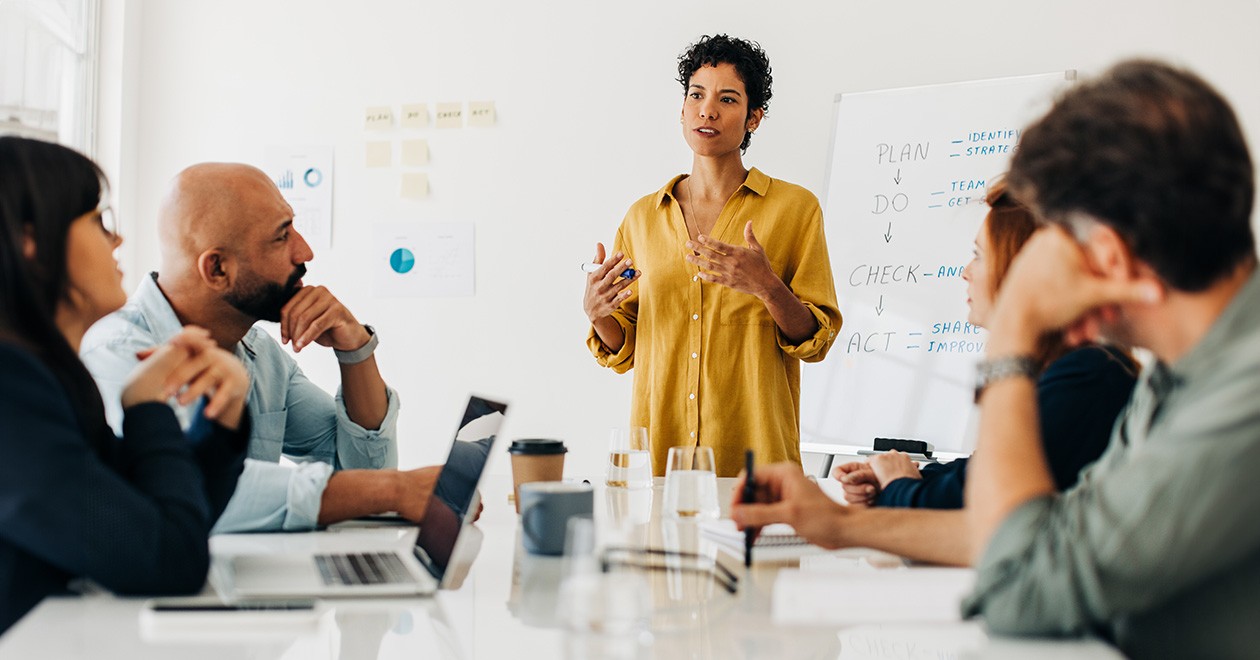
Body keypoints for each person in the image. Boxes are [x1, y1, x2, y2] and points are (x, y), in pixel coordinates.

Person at [732, 60, 1260, 657]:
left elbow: (1021, 587)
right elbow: (1047, 539)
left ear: (1107, 258)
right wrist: (838, 526)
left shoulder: (1243, 392)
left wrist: (1013, 329)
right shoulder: (1180, 373)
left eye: (1052, 245)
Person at [82, 162, 439, 533]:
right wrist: (396, 490)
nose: (305, 252)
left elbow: (365, 474)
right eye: (282, 236)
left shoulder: (257, 351)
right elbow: (194, 491)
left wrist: (356, 350)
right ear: (217, 269)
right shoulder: (116, 354)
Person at [0, 137, 250, 632]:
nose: (118, 241)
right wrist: (145, 408)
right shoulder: (10, 388)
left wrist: (220, 421)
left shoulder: (49, 377)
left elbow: (168, 518)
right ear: (33, 244)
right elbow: (169, 561)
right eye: (97, 220)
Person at [584, 34, 841, 477]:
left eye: (727, 98)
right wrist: (597, 312)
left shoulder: (795, 210)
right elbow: (624, 348)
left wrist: (765, 284)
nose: (707, 110)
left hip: (758, 469)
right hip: (659, 469)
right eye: (696, 95)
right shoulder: (642, 217)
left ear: (754, 118)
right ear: (682, 111)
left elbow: (814, 340)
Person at [832, 182, 1136, 509]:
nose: (965, 273)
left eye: (978, 256)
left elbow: (973, 503)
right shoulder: (1061, 373)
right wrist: (904, 475)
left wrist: (897, 484)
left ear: (1018, 270)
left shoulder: (1084, 379)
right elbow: (979, 471)